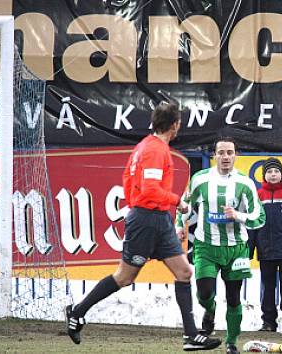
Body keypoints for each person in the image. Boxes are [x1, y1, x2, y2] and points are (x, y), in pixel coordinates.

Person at [64, 103, 222, 351]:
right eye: (179, 123)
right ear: (175, 125)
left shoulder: (145, 147)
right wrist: (176, 201)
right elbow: (149, 190)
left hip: (156, 218)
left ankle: (191, 336)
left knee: (184, 272)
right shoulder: (154, 150)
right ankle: (78, 312)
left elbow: (128, 181)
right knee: (125, 277)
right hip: (147, 219)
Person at [176, 136, 265, 354]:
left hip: (237, 248)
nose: (225, 157)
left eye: (230, 153)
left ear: (236, 155)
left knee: (234, 297)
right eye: (221, 153)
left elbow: (259, 216)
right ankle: (210, 310)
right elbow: (184, 205)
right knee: (204, 292)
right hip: (206, 246)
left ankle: (231, 342)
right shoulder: (200, 179)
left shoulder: (245, 183)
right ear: (214, 155)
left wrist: (238, 215)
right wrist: (180, 224)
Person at [248, 157, 282, 334]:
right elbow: (253, 224)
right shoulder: (258, 195)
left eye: (276, 171)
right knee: (267, 288)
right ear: (264, 175)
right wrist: (250, 248)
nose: (273, 175)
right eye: (269, 172)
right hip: (266, 251)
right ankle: (268, 322)